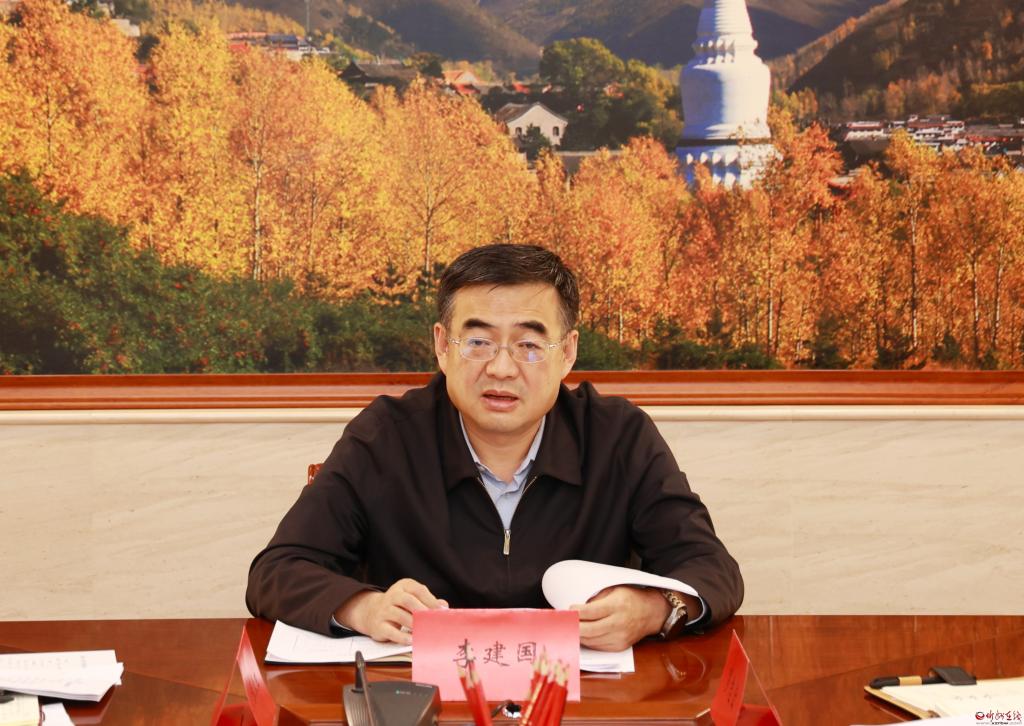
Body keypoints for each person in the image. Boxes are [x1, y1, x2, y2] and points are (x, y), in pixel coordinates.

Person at [246, 244, 742, 651]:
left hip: (581, 706)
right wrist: (365, 607)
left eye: (529, 345)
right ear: (442, 346)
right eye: (478, 342)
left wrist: (653, 609)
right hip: (427, 705)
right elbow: (277, 571)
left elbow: (712, 568)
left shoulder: (618, 437)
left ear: (567, 352)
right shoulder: (385, 437)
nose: (502, 369)